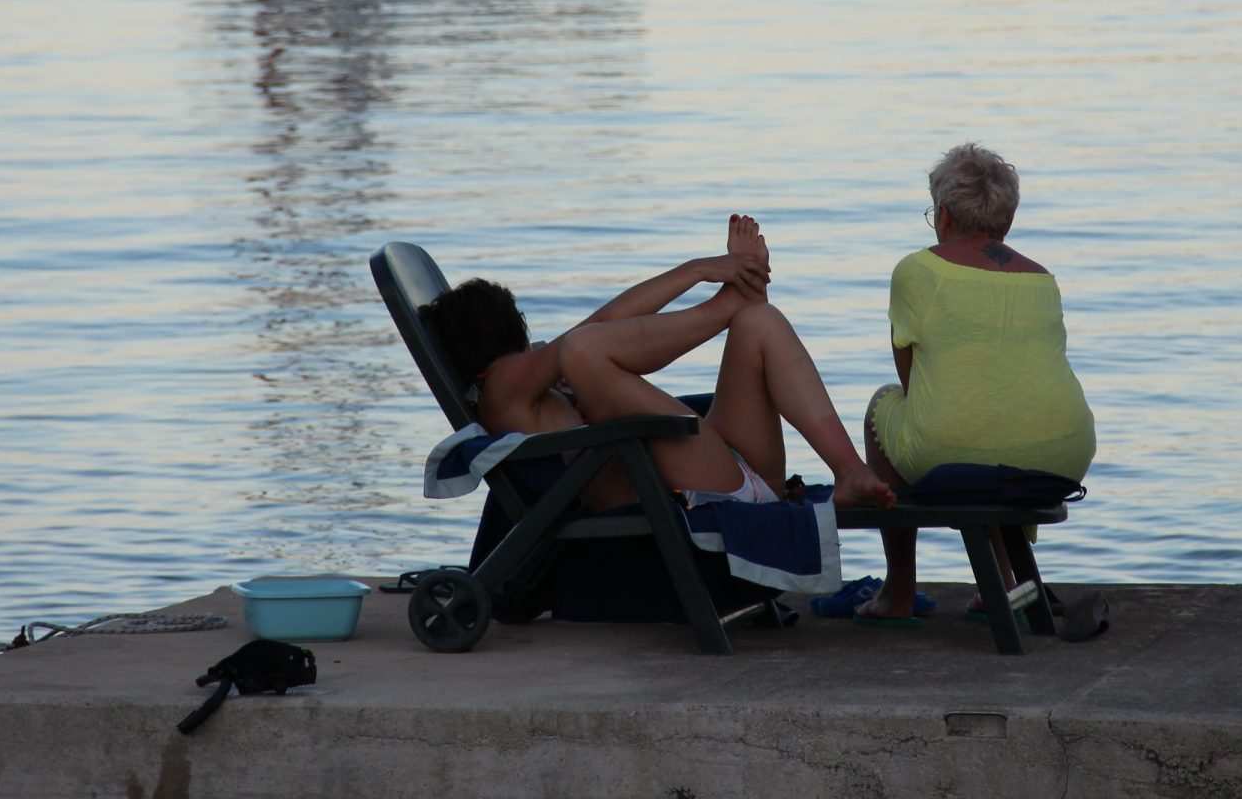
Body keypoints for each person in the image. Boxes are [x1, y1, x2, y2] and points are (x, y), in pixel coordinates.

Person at [418, 215, 895, 512]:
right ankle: (731, 308)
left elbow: (606, 321)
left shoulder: (537, 388)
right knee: (585, 348)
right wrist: (704, 278)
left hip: (720, 473)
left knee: (759, 320)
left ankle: (849, 471)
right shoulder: (503, 389)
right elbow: (584, 340)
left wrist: (699, 270)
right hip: (701, 488)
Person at [857, 143, 1096, 622]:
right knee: (996, 413)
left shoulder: (918, 271)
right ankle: (1004, 585)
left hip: (961, 451)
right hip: (1064, 456)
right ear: (1006, 220)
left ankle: (899, 589)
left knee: (888, 404)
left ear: (943, 215)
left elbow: (914, 382)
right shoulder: (1042, 279)